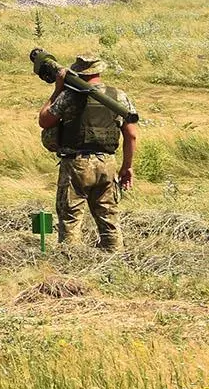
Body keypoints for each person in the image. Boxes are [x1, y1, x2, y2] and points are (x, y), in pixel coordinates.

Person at [38, 54, 139, 251]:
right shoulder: (118, 97)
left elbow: (44, 121)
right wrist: (127, 167)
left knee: (70, 219)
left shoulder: (69, 95)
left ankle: (71, 266)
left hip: (76, 165)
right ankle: (115, 262)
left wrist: (57, 89)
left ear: (78, 71)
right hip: (107, 164)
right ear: (99, 71)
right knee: (109, 218)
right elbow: (132, 135)